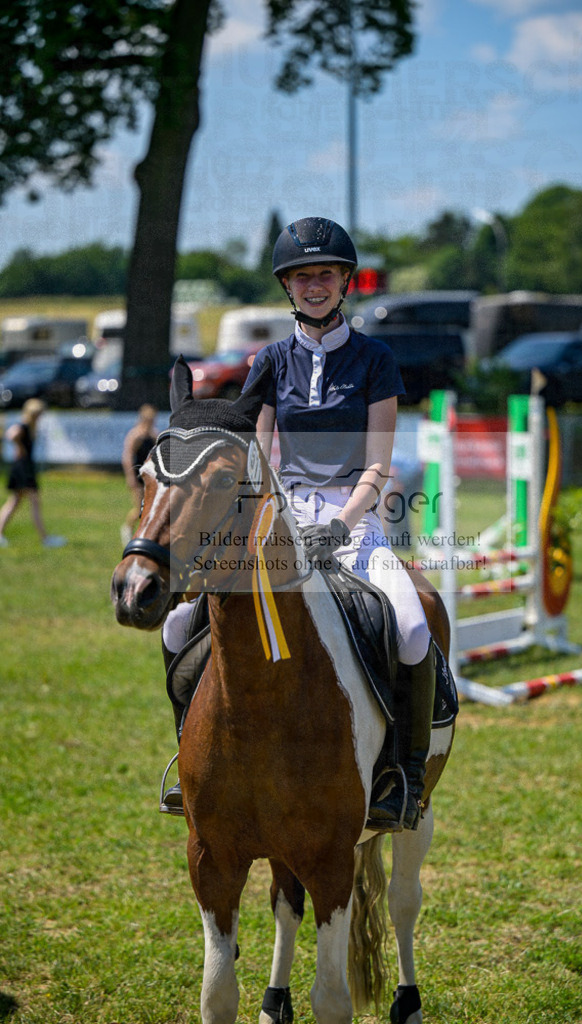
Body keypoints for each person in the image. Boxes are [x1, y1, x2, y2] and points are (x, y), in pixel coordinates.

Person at [162, 217, 437, 832]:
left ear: (345, 282)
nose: (315, 285)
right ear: (288, 286)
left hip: (356, 520)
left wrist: (339, 527)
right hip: (282, 519)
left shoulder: (375, 359)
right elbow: (258, 461)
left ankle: (402, 776)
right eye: (302, 276)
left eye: (326, 274)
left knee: (414, 629)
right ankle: (189, 760)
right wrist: (272, 519)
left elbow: (378, 463)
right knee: (180, 622)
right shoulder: (271, 360)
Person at [0, 398, 66, 548]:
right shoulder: (22, 426)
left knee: (14, 502)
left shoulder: (30, 427)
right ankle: (45, 538)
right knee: (34, 502)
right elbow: (11, 435)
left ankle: (1, 534)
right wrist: (20, 447)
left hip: (23, 467)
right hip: (23, 468)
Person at [121, 404, 158, 544]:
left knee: (150, 508)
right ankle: (127, 529)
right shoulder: (135, 435)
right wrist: (130, 477)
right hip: (137, 476)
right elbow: (128, 457)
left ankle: (146, 535)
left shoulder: (154, 435)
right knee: (139, 509)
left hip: (150, 478)